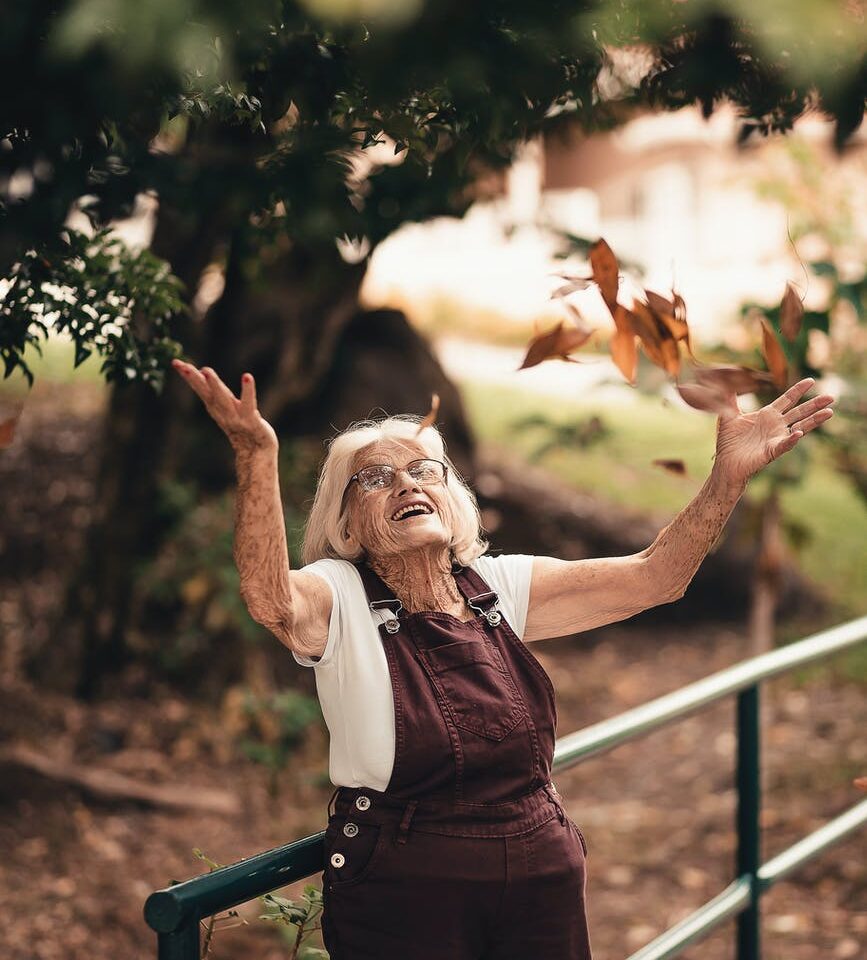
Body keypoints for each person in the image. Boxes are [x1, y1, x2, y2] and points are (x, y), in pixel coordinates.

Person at [172, 358, 834, 960]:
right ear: (346, 525)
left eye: (421, 470)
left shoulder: (499, 584)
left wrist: (726, 479)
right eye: (374, 478)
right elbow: (270, 599)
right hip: (407, 888)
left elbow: (655, 577)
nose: (405, 485)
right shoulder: (338, 594)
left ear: (450, 494)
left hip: (538, 875)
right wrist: (255, 457)